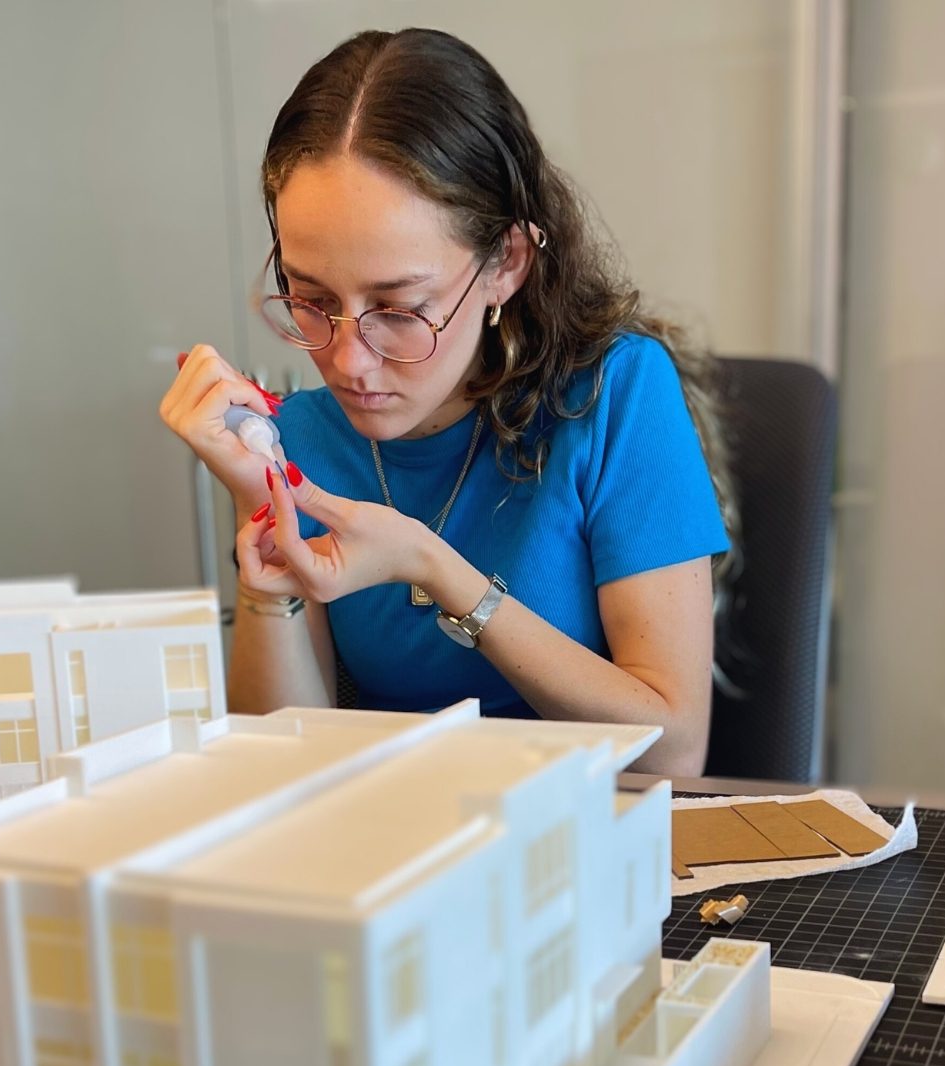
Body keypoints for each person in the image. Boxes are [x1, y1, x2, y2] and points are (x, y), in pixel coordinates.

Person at [159, 28, 730, 775]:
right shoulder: (295, 440)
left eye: (400, 308)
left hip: (583, 824)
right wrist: (260, 529)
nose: (348, 361)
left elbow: (673, 754)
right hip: (391, 829)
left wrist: (435, 568)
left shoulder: (615, 394)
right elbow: (277, 768)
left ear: (506, 264)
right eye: (312, 299)